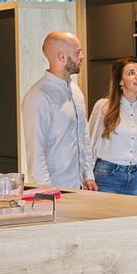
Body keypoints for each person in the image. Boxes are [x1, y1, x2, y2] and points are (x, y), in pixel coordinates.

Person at [20, 31, 97, 190]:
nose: (82, 56)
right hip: (55, 188)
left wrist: (88, 175)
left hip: (78, 187)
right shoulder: (38, 96)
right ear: (62, 57)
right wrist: (47, 190)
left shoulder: (75, 90)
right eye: (77, 52)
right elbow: (35, 151)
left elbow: (83, 136)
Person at [86, 57, 137, 197]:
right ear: (120, 81)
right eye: (131, 73)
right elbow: (90, 144)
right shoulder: (103, 107)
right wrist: (88, 177)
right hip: (107, 176)